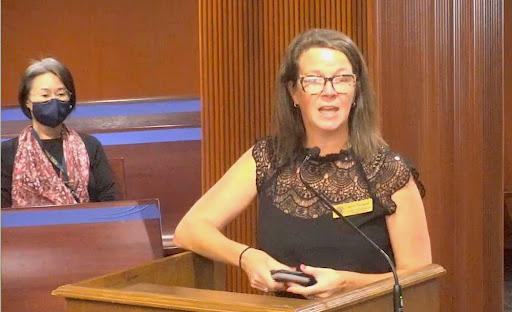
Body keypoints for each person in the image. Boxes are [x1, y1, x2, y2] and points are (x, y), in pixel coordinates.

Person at [174, 29, 431, 299]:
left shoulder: (389, 170)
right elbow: (189, 229)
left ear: (356, 91)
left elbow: (421, 277)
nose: (329, 91)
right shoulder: (268, 157)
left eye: (342, 79)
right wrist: (247, 257)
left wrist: (347, 284)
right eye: (314, 80)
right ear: (294, 92)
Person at [1, 57, 116, 208]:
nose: (54, 100)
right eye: (45, 95)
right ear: (27, 101)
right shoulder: (7, 152)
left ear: (70, 100)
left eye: (61, 94)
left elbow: (109, 200)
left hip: (86, 229)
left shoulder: (90, 146)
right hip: (28, 231)